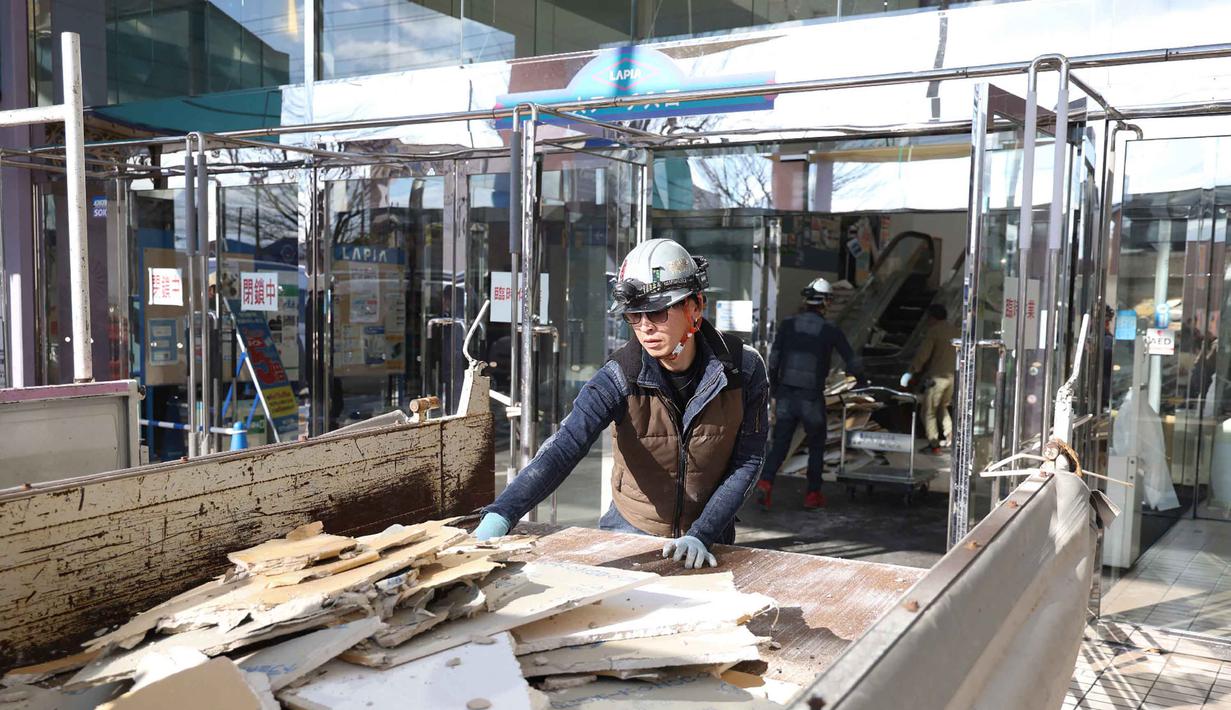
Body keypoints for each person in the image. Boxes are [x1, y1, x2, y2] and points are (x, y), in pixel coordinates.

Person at [472, 239, 770, 569]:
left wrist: (702, 533)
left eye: (657, 312)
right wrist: (501, 514)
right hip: (631, 530)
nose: (645, 327)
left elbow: (749, 460)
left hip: (709, 537)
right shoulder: (620, 375)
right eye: (634, 315)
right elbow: (565, 446)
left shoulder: (743, 369)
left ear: (696, 306)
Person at [755, 277, 863, 510]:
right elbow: (852, 360)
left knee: (780, 443)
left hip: (786, 394)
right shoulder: (830, 330)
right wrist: (860, 380)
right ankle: (813, 494)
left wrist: (775, 389)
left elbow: (773, 360)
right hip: (811, 397)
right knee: (816, 444)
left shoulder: (788, 324)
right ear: (825, 302)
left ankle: (766, 482)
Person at [902, 303, 961, 455]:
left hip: (938, 378)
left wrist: (911, 372)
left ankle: (934, 444)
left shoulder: (934, 331)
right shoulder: (956, 331)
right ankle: (951, 435)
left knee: (928, 412)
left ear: (932, 318)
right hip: (953, 378)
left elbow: (923, 355)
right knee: (942, 407)